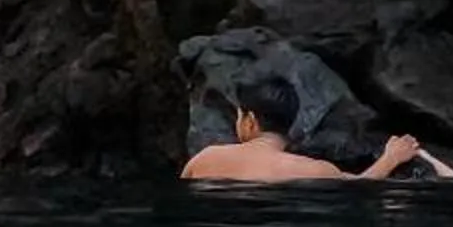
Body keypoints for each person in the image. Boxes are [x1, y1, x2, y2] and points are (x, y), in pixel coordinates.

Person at [181, 78, 423, 183]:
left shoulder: (205, 159)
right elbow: (363, 185)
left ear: (250, 121)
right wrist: (391, 158)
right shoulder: (315, 170)